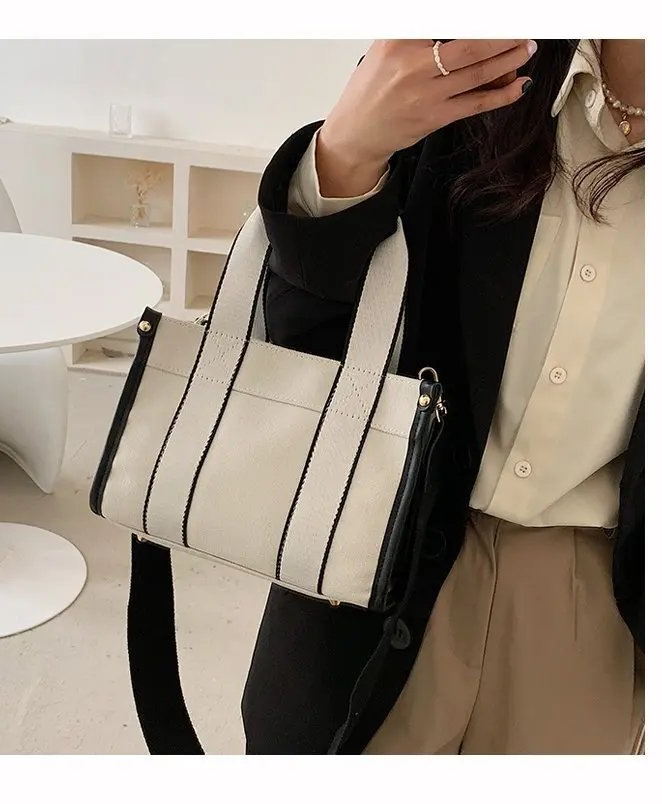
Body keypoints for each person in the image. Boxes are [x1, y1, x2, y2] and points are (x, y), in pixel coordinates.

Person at [128, 39, 644, 754]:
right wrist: (343, 157)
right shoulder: (468, 57)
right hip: (377, 539)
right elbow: (306, 346)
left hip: (598, 592)